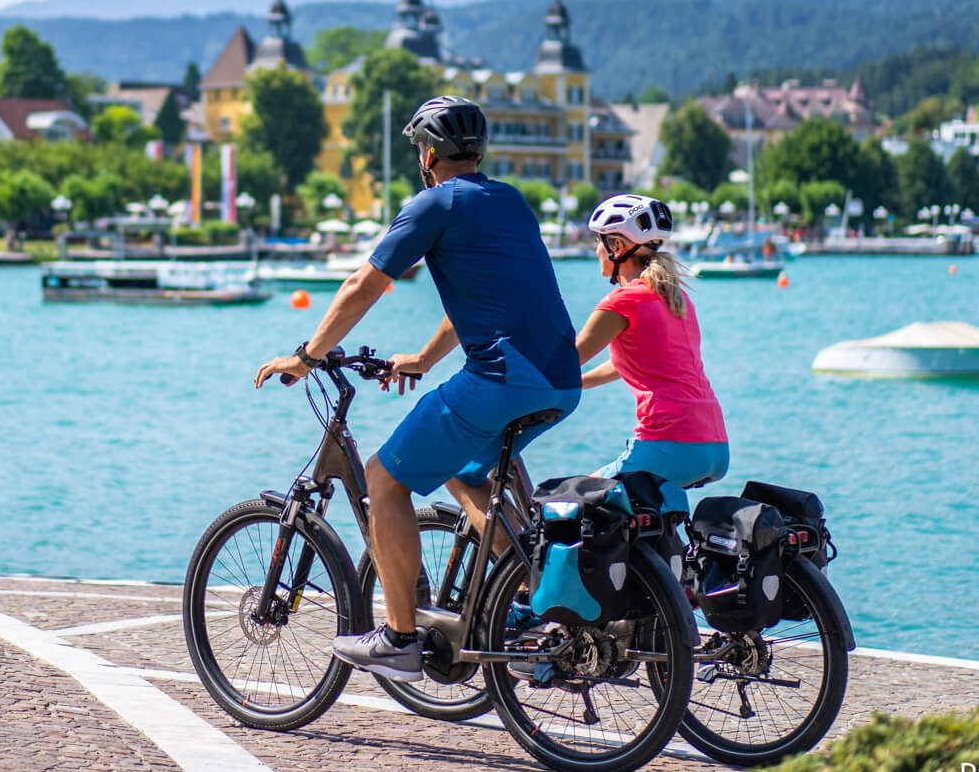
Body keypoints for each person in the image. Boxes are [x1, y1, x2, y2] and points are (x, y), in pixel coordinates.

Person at [254, 96, 581, 681]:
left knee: (384, 480)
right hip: (560, 380)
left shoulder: (433, 203)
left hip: (502, 379)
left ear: (428, 153)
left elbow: (364, 283)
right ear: (478, 152)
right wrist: (425, 359)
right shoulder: (510, 202)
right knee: (466, 472)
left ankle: (400, 639)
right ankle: (534, 602)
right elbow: (486, 302)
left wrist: (308, 355)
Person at [576, 194, 728, 489]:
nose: (596, 249)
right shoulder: (674, 295)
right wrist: (577, 383)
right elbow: (634, 363)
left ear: (616, 247)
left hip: (672, 443)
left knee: (571, 502)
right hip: (714, 445)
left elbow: (564, 360)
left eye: (599, 241)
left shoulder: (624, 299)